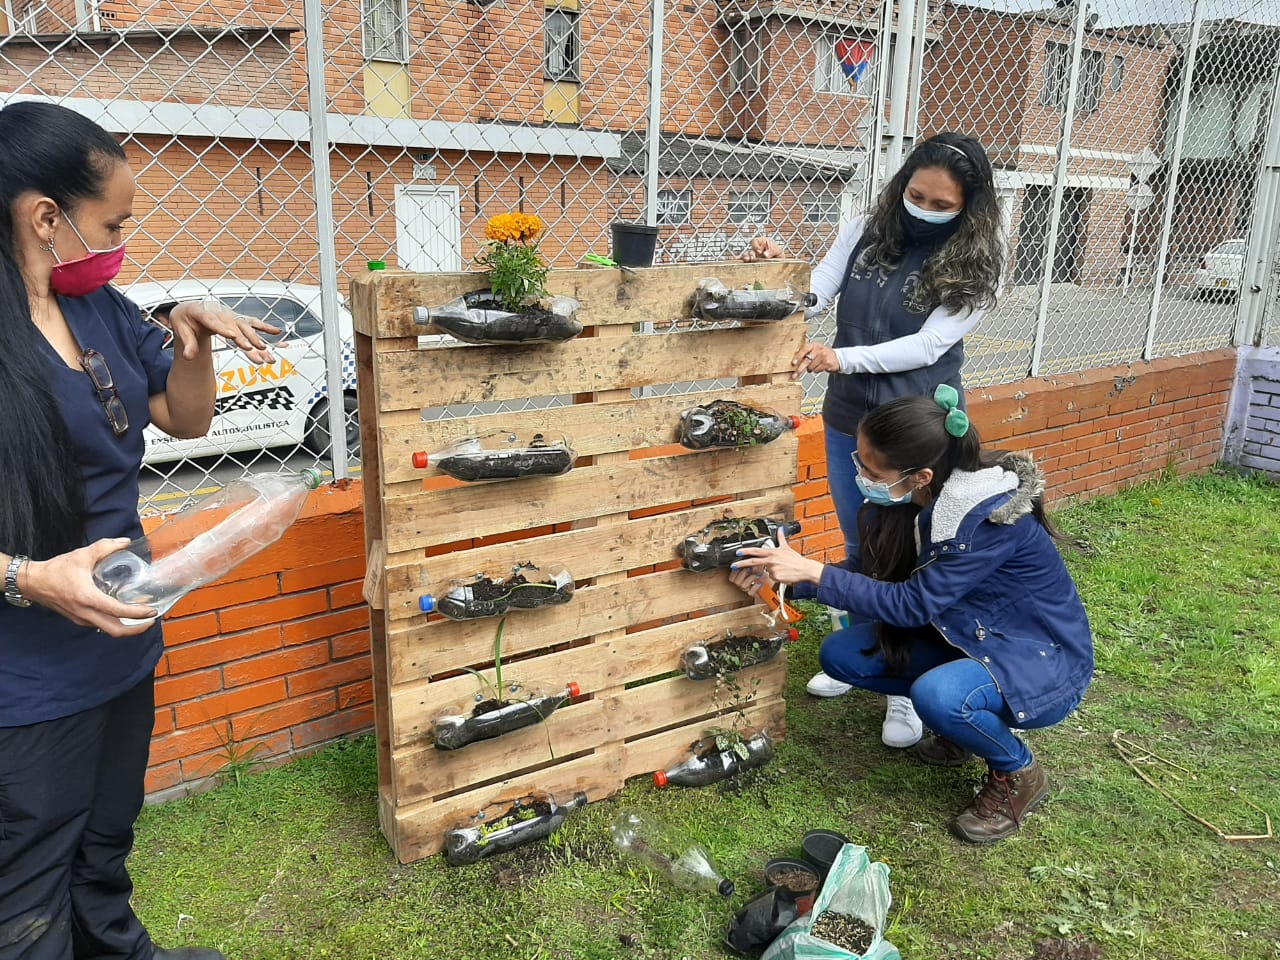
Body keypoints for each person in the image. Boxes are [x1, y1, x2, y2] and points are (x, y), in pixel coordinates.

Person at [0, 102, 277, 960]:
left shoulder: (103, 310)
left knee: (103, 846)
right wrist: (30, 578)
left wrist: (191, 344)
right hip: (26, 674)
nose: (122, 241)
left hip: (122, 636)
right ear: (45, 217)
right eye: (111, 223)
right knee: (28, 885)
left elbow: (182, 420)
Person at [730, 386, 1093, 843]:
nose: (858, 472)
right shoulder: (916, 502)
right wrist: (782, 579)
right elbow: (870, 573)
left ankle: (1017, 771)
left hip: (1038, 659)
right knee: (845, 654)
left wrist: (814, 570)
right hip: (965, 636)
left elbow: (911, 604)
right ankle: (961, 727)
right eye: (859, 459)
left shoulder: (982, 523)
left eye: (870, 467)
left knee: (939, 697)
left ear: (920, 475)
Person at [743, 132, 1004, 749]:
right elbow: (819, 287)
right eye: (917, 195)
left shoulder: (976, 264)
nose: (925, 208)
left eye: (943, 204)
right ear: (901, 184)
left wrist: (841, 357)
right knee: (862, 538)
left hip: (918, 427)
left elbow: (928, 346)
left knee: (907, 551)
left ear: (968, 206)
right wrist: (781, 273)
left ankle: (902, 687)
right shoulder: (866, 228)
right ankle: (862, 650)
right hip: (850, 419)